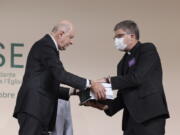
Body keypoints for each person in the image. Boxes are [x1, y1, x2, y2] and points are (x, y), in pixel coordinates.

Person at [13, 20, 106, 135]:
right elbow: (61, 75)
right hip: (34, 108)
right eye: (70, 37)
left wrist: (77, 92)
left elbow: (45, 85)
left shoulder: (47, 46)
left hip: (37, 110)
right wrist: (91, 83)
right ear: (61, 34)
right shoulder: (46, 45)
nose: (71, 42)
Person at [85, 20, 170, 135]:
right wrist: (101, 105)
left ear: (132, 36)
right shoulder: (121, 63)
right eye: (114, 38)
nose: (116, 40)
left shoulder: (147, 49)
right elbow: (123, 95)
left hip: (150, 116)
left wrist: (107, 80)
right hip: (130, 121)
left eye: (119, 36)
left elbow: (137, 78)